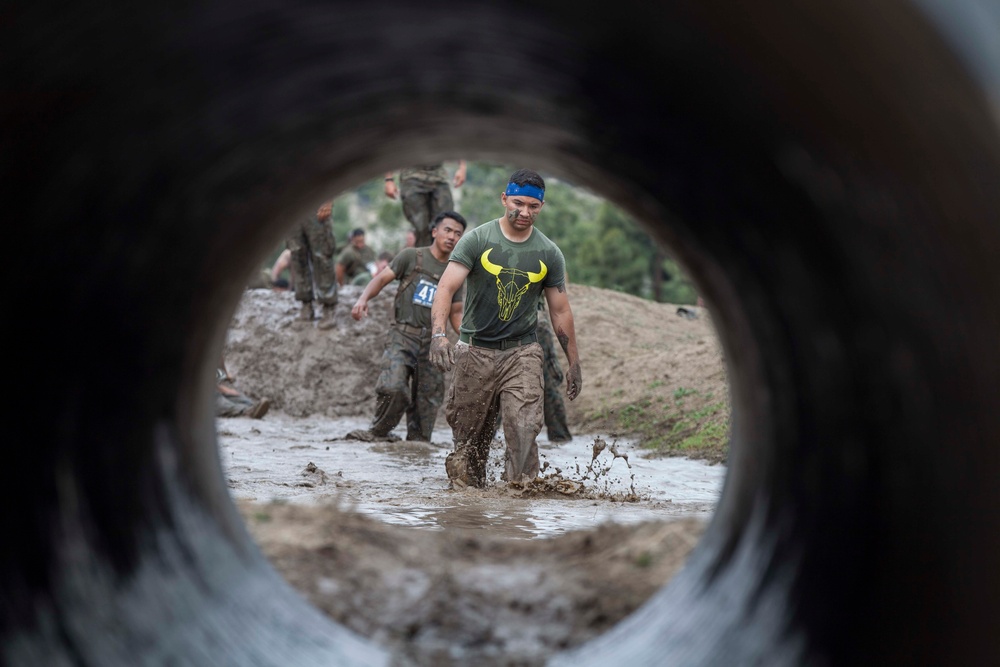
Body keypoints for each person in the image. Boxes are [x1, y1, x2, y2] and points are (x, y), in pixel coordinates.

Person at [429, 169, 582, 488]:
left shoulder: (549, 253)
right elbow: (445, 288)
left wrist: (574, 363)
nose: (524, 212)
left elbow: (561, 310)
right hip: (474, 351)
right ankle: (469, 507)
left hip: (522, 353)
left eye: (533, 206)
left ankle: (519, 498)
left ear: (541, 206)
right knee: (470, 442)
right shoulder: (477, 239)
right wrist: (439, 335)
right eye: (518, 203)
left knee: (524, 428)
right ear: (504, 199)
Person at [350, 211, 467, 441]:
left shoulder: (455, 271)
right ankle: (379, 432)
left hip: (434, 341)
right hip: (402, 335)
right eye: (448, 230)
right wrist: (363, 299)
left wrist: (466, 339)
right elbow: (381, 279)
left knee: (428, 398)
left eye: (457, 233)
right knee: (393, 387)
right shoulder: (411, 257)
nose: (452, 236)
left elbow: (456, 311)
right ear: (435, 232)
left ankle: (417, 446)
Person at [384, 161, 467, 247]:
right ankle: (424, 256)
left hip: (438, 175)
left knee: (446, 221)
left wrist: (462, 167)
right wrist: (388, 179)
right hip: (412, 175)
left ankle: (443, 256)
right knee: (421, 225)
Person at [285, 200, 338, 328]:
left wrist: (328, 199)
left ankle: (328, 308)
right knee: (297, 256)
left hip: (315, 203)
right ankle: (305, 304)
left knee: (322, 256)